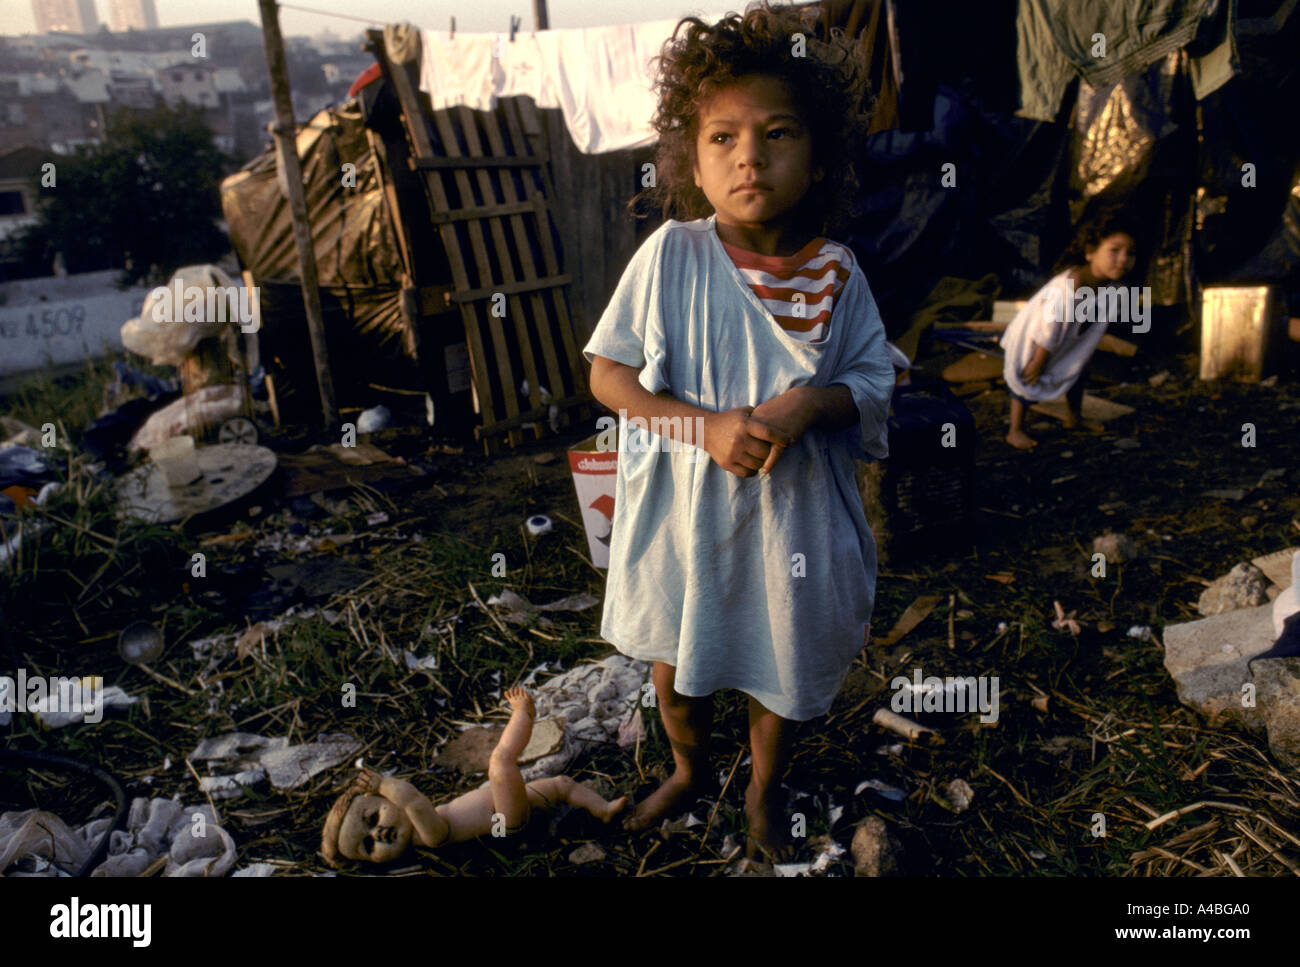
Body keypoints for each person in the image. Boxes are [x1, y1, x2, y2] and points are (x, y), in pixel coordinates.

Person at [584, 3, 893, 860]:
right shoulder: (672, 256)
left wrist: (809, 404)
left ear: (821, 153)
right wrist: (706, 425)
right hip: (685, 518)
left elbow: (872, 384)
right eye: (721, 137)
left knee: (778, 663)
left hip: (793, 520)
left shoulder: (839, 275)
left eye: (777, 133)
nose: (748, 156)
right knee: (677, 666)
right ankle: (688, 769)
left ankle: (763, 787)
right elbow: (607, 375)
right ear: (691, 156)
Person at [320, 687, 626, 866]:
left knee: (561, 785)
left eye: (372, 820)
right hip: (506, 820)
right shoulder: (429, 836)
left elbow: (411, 803)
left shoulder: (420, 828)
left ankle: (602, 808)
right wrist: (385, 783)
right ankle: (523, 715)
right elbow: (414, 800)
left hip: (507, 810)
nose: (379, 835)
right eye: (369, 846)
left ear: (382, 802)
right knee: (500, 761)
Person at [1003, 218, 1139, 449]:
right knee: (1027, 374)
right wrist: (1039, 359)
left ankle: (1074, 417)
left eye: (1130, 253)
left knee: (1077, 366)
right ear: (1090, 252)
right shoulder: (1072, 284)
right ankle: (1014, 429)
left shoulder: (1113, 286)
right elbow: (1050, 325)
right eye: (1114, 251)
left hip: (1067, 336)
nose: (1124, 259)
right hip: (1036, 335)